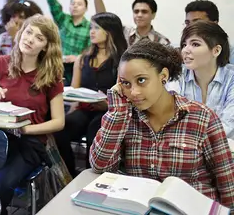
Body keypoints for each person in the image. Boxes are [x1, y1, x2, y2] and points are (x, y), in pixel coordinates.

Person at [89, 40, 234, 210]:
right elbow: (100, 166)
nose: (133, 92)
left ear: (163, 76)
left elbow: (227, 182)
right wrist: (118, 113)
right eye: (125, 83)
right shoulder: (123, 116)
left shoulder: (202, 118)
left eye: (141, 80)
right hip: (140, 209)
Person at [0, 15, 65, 215]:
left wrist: (25, 128)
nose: (30, 39)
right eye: (28, 32)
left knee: (2, 182)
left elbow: (59, 122)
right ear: (21, 33)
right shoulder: (2, 63)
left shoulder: (50, 75)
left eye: (39, 38)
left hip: (29, 143)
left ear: (46, 47)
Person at [54, 12, 127, 177]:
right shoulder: (82, 58)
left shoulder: (122, 60)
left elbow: (123, 96)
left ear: (109, 31)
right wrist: (72, 109)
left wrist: (107, 104)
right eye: (91, 28)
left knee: (95, 133)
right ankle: (70, 176)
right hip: (84, 108)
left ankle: (92, 178)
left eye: (96, 28)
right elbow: (74, 91)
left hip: (108, 111)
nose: (91, 32)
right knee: (60, 130)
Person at [168, 21, 234, 139]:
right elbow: (171, 117)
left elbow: (228, 125)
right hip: (184, 149)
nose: (185, 50)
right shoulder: (177, 74)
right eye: (184, 44)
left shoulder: (231, 78)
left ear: (216, 50)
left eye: (195, 44)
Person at [44, 0, 91, 85]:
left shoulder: (90, 27)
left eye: (79, 4)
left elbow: (91, 50)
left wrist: (77, 58)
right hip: (58, 65)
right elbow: (52, 1)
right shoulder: (63, 19)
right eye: (73, 3)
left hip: (78, 68)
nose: (75, 6)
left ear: (86, 8)